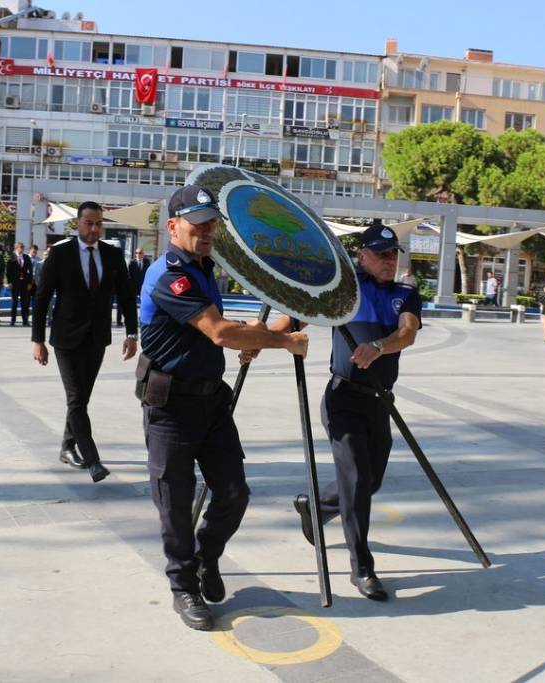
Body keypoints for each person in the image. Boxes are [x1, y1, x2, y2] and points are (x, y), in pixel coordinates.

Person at [136, 185, 308, 630]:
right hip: (170, 406)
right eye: (198, 223)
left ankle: (205, 558)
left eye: (212, 222)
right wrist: (279, 341)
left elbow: (218, 333)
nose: (208, 230)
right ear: (173, 226)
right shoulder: (169, 273)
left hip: (211, 402)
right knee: (174, 505)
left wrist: (254, 336)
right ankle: (183, 587)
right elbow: (217, 331)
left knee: (233, 492)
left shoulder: (203, 268)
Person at [258, 224, 421, 602]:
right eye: (381, 254)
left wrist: (379, 347)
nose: (389, 261)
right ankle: (362, 565)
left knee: (370, 481)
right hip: (343, 401)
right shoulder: (343, 291)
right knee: (357, 481)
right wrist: (263, 340)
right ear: (361, 256)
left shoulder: (405, 293)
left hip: (379, 402)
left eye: (393, 254)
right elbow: (296, 319)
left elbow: (408, 333)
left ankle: (313, 508)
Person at [32, 201, 137, 481]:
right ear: (77, 224)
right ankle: (92, 460)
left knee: (81, 399)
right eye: (89, 223)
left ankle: (67, 446)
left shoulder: (113, 255)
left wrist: (131, 334)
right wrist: (38, 340)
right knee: (77, 399)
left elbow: (126, 297)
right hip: (65, 338)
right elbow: (41, 299)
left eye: (98, 223)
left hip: (97, 338)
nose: (94, 228)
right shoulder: (60, 254)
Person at [119, 247, 151, 327]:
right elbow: (129, 275)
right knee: (132, 305)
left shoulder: (147, 262)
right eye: (137, 253)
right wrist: (130, 287)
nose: (138, 255)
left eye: (140, 253)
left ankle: (142, 319)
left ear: (143, 254)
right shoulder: (132, 263)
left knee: (143, 304)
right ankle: (133, 320)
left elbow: (148, 274)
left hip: (143, 287)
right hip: (133, 287)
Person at [7, 242, 33, 326]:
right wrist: (9, 282)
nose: (22, 249)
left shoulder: (26, 257)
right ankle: (13, 320)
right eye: (20, 247)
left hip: (24, 283)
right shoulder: (12, 257)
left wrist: (29, 283)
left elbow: (30, 271)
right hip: (15, 283)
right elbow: (8, 272)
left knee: (25, 302)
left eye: (23, 247)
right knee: (14, 302)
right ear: (16, 248)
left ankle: (25, 320)